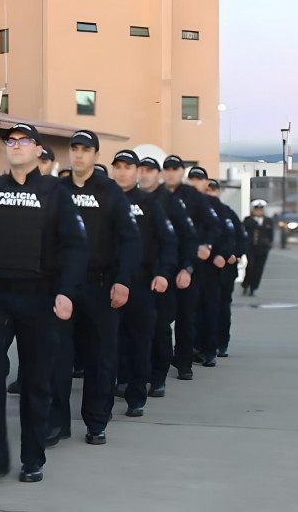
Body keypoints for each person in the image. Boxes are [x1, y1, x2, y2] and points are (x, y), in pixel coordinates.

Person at [0, 123, 88, 483]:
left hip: (41, 298)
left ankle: (32, 457)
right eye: (11, 141)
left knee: (37, 382)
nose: (16, 145)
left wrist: (66, 292)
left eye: (24, 141)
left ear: (38, 150)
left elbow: (75, 247)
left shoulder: (56, 193)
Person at [49, 130, 141, 446]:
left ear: (96, 156)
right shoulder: (56, 190)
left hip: (101, 286)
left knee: (101, 358)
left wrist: (123, 281)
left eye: (85, 150)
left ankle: (96, 421)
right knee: (57, 357)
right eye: (74, 149)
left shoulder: (110, 191)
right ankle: (57, 421)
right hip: (63, 288)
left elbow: (130, 239)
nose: (78, 155)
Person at [110, 150, 177, 417]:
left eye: (128, 167)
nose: (122, 171)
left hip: (142, 284)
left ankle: (137, 395)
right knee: (109, 341)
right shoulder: (105, 199)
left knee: (139, 341)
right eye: (118, 167)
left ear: (137, 171)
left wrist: (163, 273)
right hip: (108, 283)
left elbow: (169, 241)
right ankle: (117, 383)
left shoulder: (149, 203)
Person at [136, 157, 198, 397]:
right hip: (135, 276)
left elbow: (188, 238)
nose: (144, 174)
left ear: (158, 174)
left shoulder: (171, 202)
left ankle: (158, 377)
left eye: (149, 170)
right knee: (132, 330)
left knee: (160, 328)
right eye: (141, 169)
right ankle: (134, 378)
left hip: (164, 275)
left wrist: (187, 268)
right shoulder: (129, 198)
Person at [161, 156, 219, 380]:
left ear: (181, 172)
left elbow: (212, 224)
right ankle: (161, 364)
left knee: (186, 317)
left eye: (175, 169)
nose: (171, 172)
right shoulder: (155, 195)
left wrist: (207, 245)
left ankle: (184, 364)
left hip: (189, 265)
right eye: (167, 168)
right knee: (161, 319)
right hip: (162, 264)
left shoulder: (193, 196)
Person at [8, 143, 58, 396]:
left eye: (47, 162)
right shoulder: (1, 191)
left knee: (40, 350)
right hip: (6, 286)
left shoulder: (57, 194)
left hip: (43, 286)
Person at [189, 171, 235, 367]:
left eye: (200, 180)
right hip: (188, 265)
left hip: (209, 267)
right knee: (188, 311)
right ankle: (190, 350)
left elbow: (227, 235)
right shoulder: (180, 203)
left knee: (210, 308)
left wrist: (220, 254)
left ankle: (210, 350)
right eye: (193, 179)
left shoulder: (218, 208)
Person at [206, 179, 247, 358]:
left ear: (219, 191)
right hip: (207, 269)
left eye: (214, 189)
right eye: (208, 189)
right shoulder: (199, 212)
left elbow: (242, 239)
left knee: (223, 308)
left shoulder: (228, 213)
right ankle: (205, 345)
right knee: (206, 308)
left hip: (227, 271)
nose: (211, 193)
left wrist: (235, 254)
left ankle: (222, 343)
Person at [242, 200, 273, 296]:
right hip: (250, 247)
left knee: (259, 268)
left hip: (263, 248)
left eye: (261, 209)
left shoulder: (268, 221)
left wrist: (269, 244)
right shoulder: (248, 221)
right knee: (250, 266)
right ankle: (246, 284)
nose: (259, 211)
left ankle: (253, 287)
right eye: (257, 209)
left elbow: (270, 234)